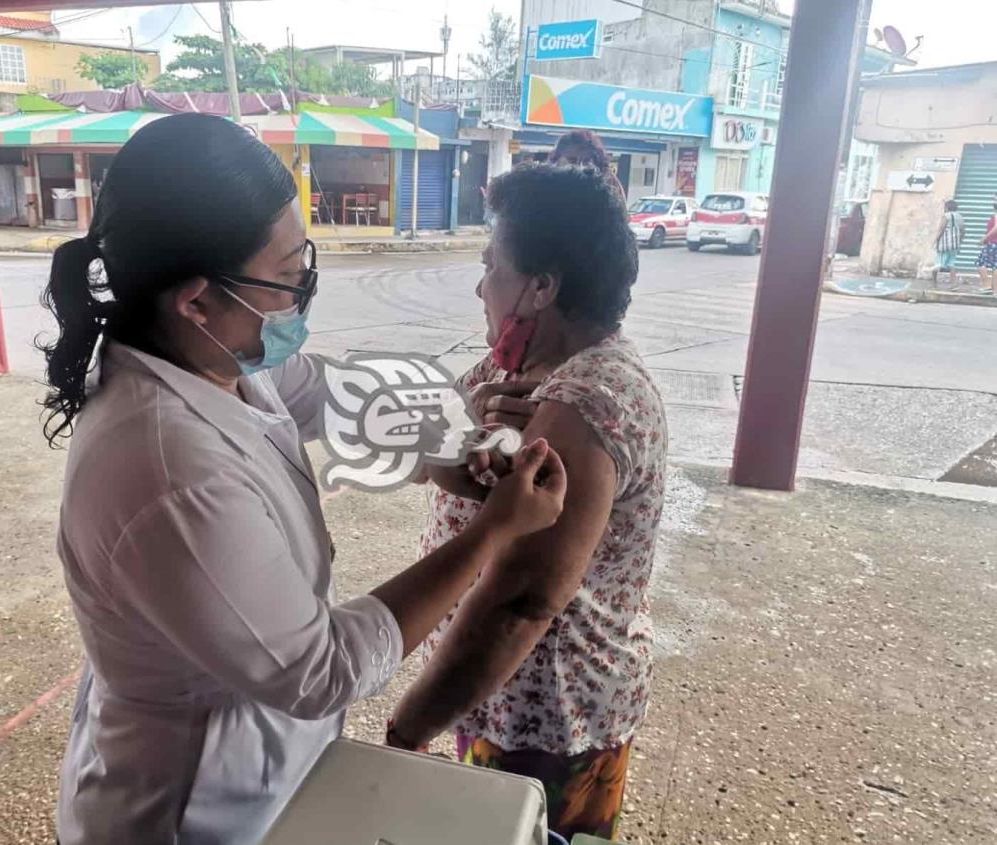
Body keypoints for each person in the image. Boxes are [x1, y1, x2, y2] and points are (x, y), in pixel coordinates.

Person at [40, 113, 568, 845]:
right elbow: (319, 667)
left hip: (268, 764)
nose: (304, 295)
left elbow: (320, 390)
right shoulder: (169, 471)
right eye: (290, 278)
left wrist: (448, 451)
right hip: (194, 807)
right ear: (195, 300)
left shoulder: (205, 356)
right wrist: (492, 533)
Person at [388, 164, 668, 842]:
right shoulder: (507, 365)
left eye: (492, 267)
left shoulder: (584, 402)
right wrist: (463, 427)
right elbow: (423, 460)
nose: (480, 286)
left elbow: (521, 601)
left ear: (540, 286)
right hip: (492, 695)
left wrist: (407, 727)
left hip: (548, 713)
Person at [548, 128, 626, 203]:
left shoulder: (607, 188)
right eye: (572, 160)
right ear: (556, 159)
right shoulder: (544, 187)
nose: (579, 167)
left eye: (586, 162)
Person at [934, 199, 966, 287]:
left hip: (944, 244)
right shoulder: (960, 217)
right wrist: (960, 241)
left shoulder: (946, 216)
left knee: (939, 263)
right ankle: (954, 284)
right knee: (951, 264)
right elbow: (963, 231)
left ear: (947, 207)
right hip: (955, 244)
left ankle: (934, 281)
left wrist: (935, 240)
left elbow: (941, 230)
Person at [976, 195, 997, 294]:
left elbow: (996, 228)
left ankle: (987, 286)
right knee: (995, 266)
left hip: (993, 244)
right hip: (992, 243)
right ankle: (994, 289)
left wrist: (984, 238)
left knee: (981, 264)